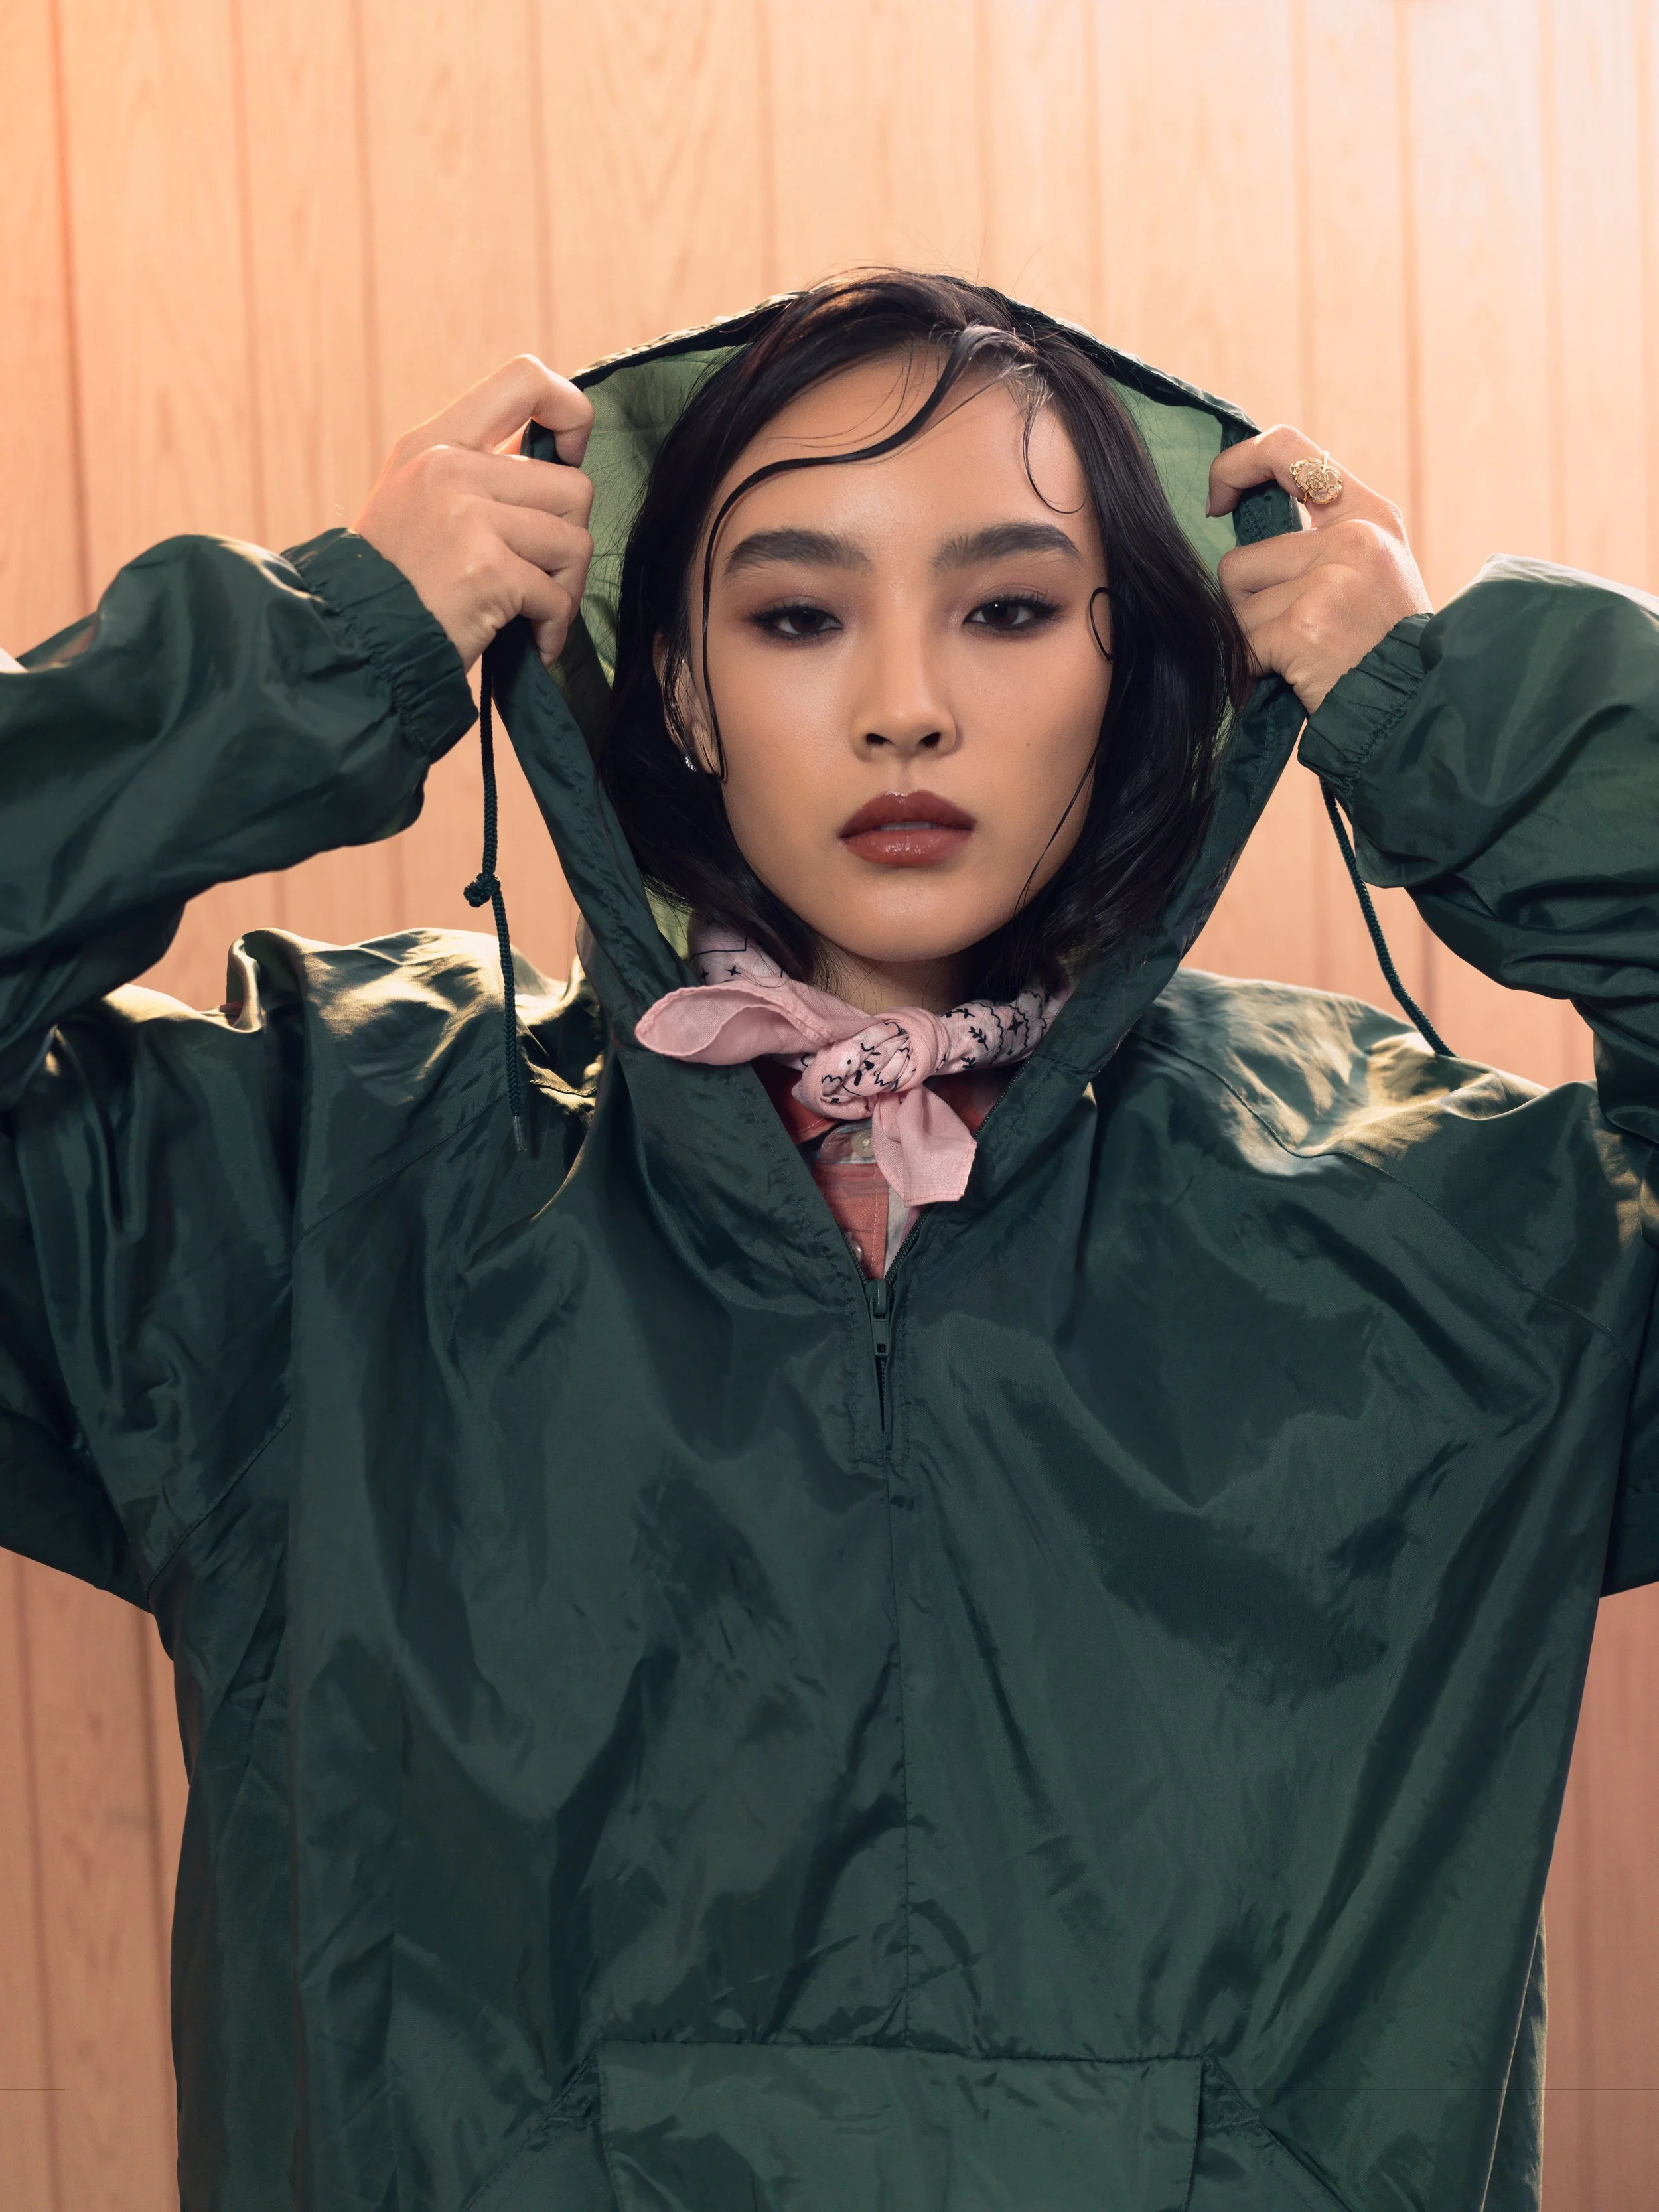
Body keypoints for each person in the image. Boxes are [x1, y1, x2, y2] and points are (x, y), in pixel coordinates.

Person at [1, 270, 1654, 2212]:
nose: (904, 705)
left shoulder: (1427, 1227)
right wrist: (319, 652)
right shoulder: (310, 1172)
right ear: (674, 674)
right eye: (796, 612)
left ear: (1136, 666)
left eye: (1012, 607)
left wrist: (1469, 724)